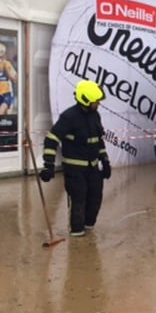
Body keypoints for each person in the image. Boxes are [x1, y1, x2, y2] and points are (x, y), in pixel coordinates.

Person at [39, 80, 112, 237]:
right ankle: (77, 236)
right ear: (86, 100)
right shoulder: (69, 117)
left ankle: (89, 234)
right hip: (75, 170)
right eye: (96, 101)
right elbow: (51, 139)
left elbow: (98, 140)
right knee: (78, 200)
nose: (98, 104)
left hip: (93, 168)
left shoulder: (95, 116)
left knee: (95, 199)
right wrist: (48, 165)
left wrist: (105, 161)